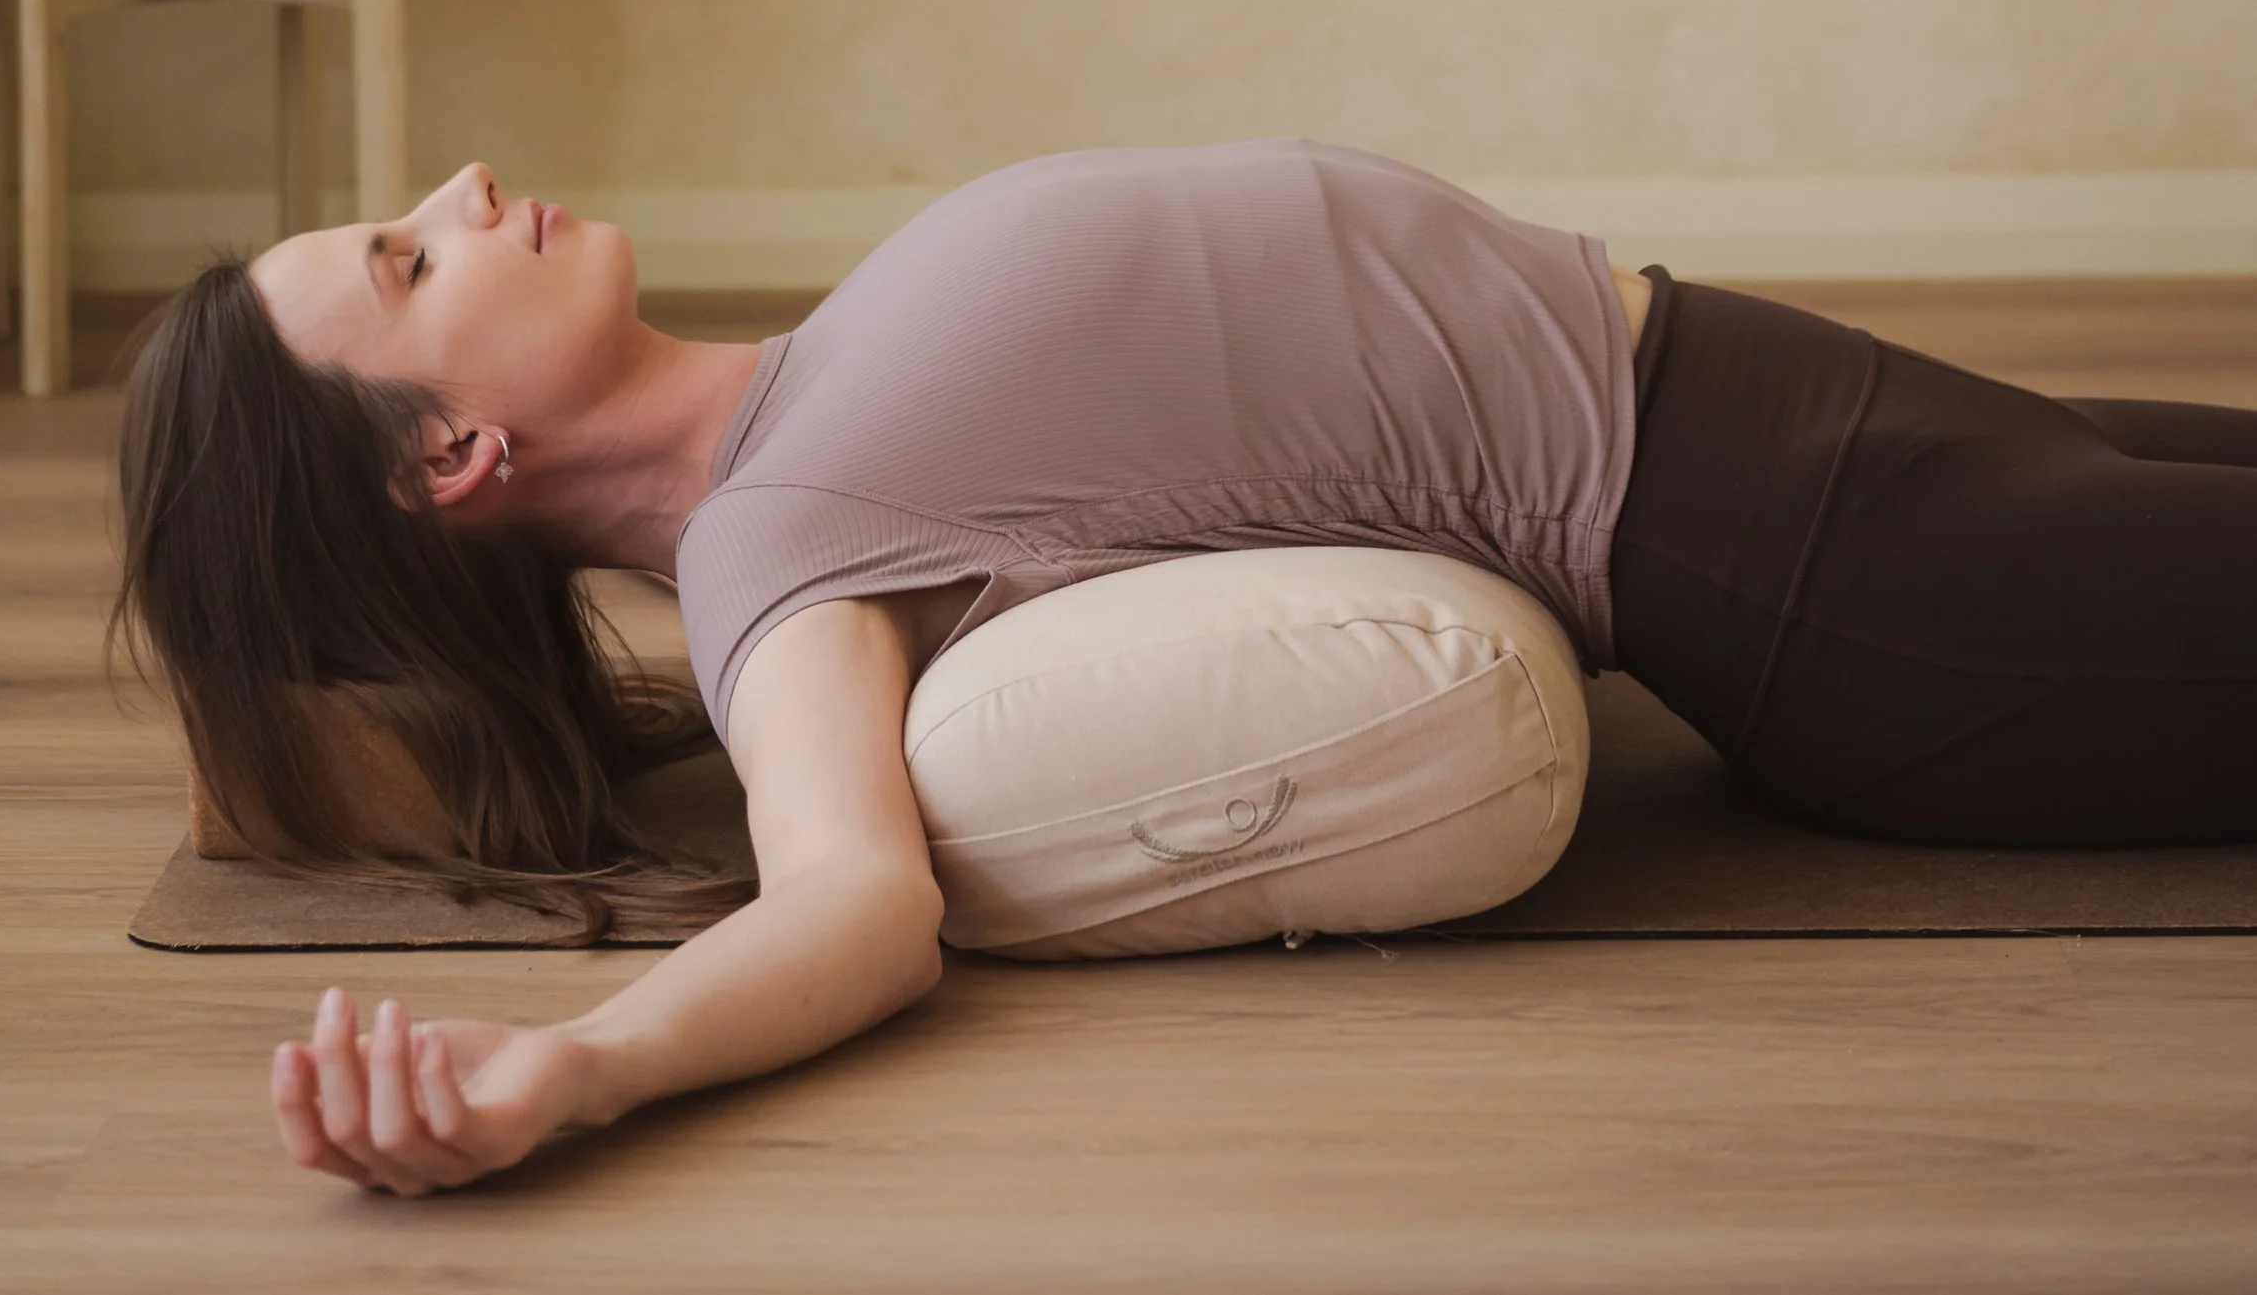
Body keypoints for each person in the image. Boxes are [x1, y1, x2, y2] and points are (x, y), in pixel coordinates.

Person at [116, 141, 2257, 1201]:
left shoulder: (801, 381)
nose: (466, 188)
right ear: (451, 461)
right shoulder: (774, 562)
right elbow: (855, 906)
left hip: (1767, 384)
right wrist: (572, 1072)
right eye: (411, 259)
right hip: (1815, 571)